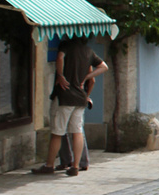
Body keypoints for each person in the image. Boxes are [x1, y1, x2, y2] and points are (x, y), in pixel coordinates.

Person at [34, 36, 108, 177]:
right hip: (80, 97)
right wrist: (86, 78)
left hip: (65, 96)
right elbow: (104, 67)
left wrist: (61, 75)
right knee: (77, 131)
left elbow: (60, 58)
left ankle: (49, 165)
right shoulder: (88, 51)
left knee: (58, 131)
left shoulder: (65, 46)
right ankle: (75, 165)